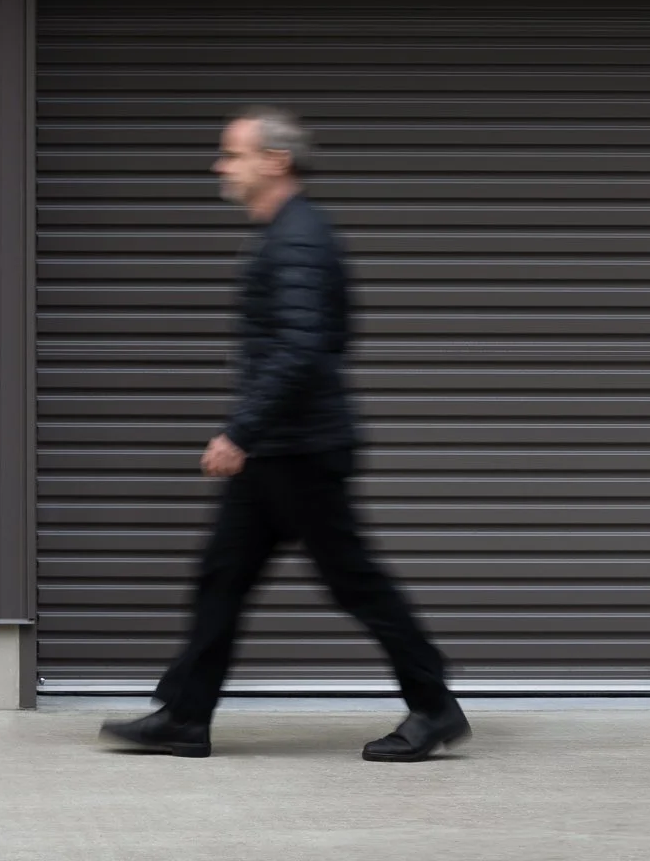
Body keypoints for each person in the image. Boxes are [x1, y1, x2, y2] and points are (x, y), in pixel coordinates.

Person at [99, 106, 470, 763]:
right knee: (222, 578)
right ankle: (185, 717)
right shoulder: (290, 234)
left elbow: (303, 348)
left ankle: (434, 707)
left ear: (276, 161)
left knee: (354, 582)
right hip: (281, 449)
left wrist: (239, 432)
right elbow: (335, 332)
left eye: (232, 154)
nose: (221, 166)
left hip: (298, 451)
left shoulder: (297, 238)